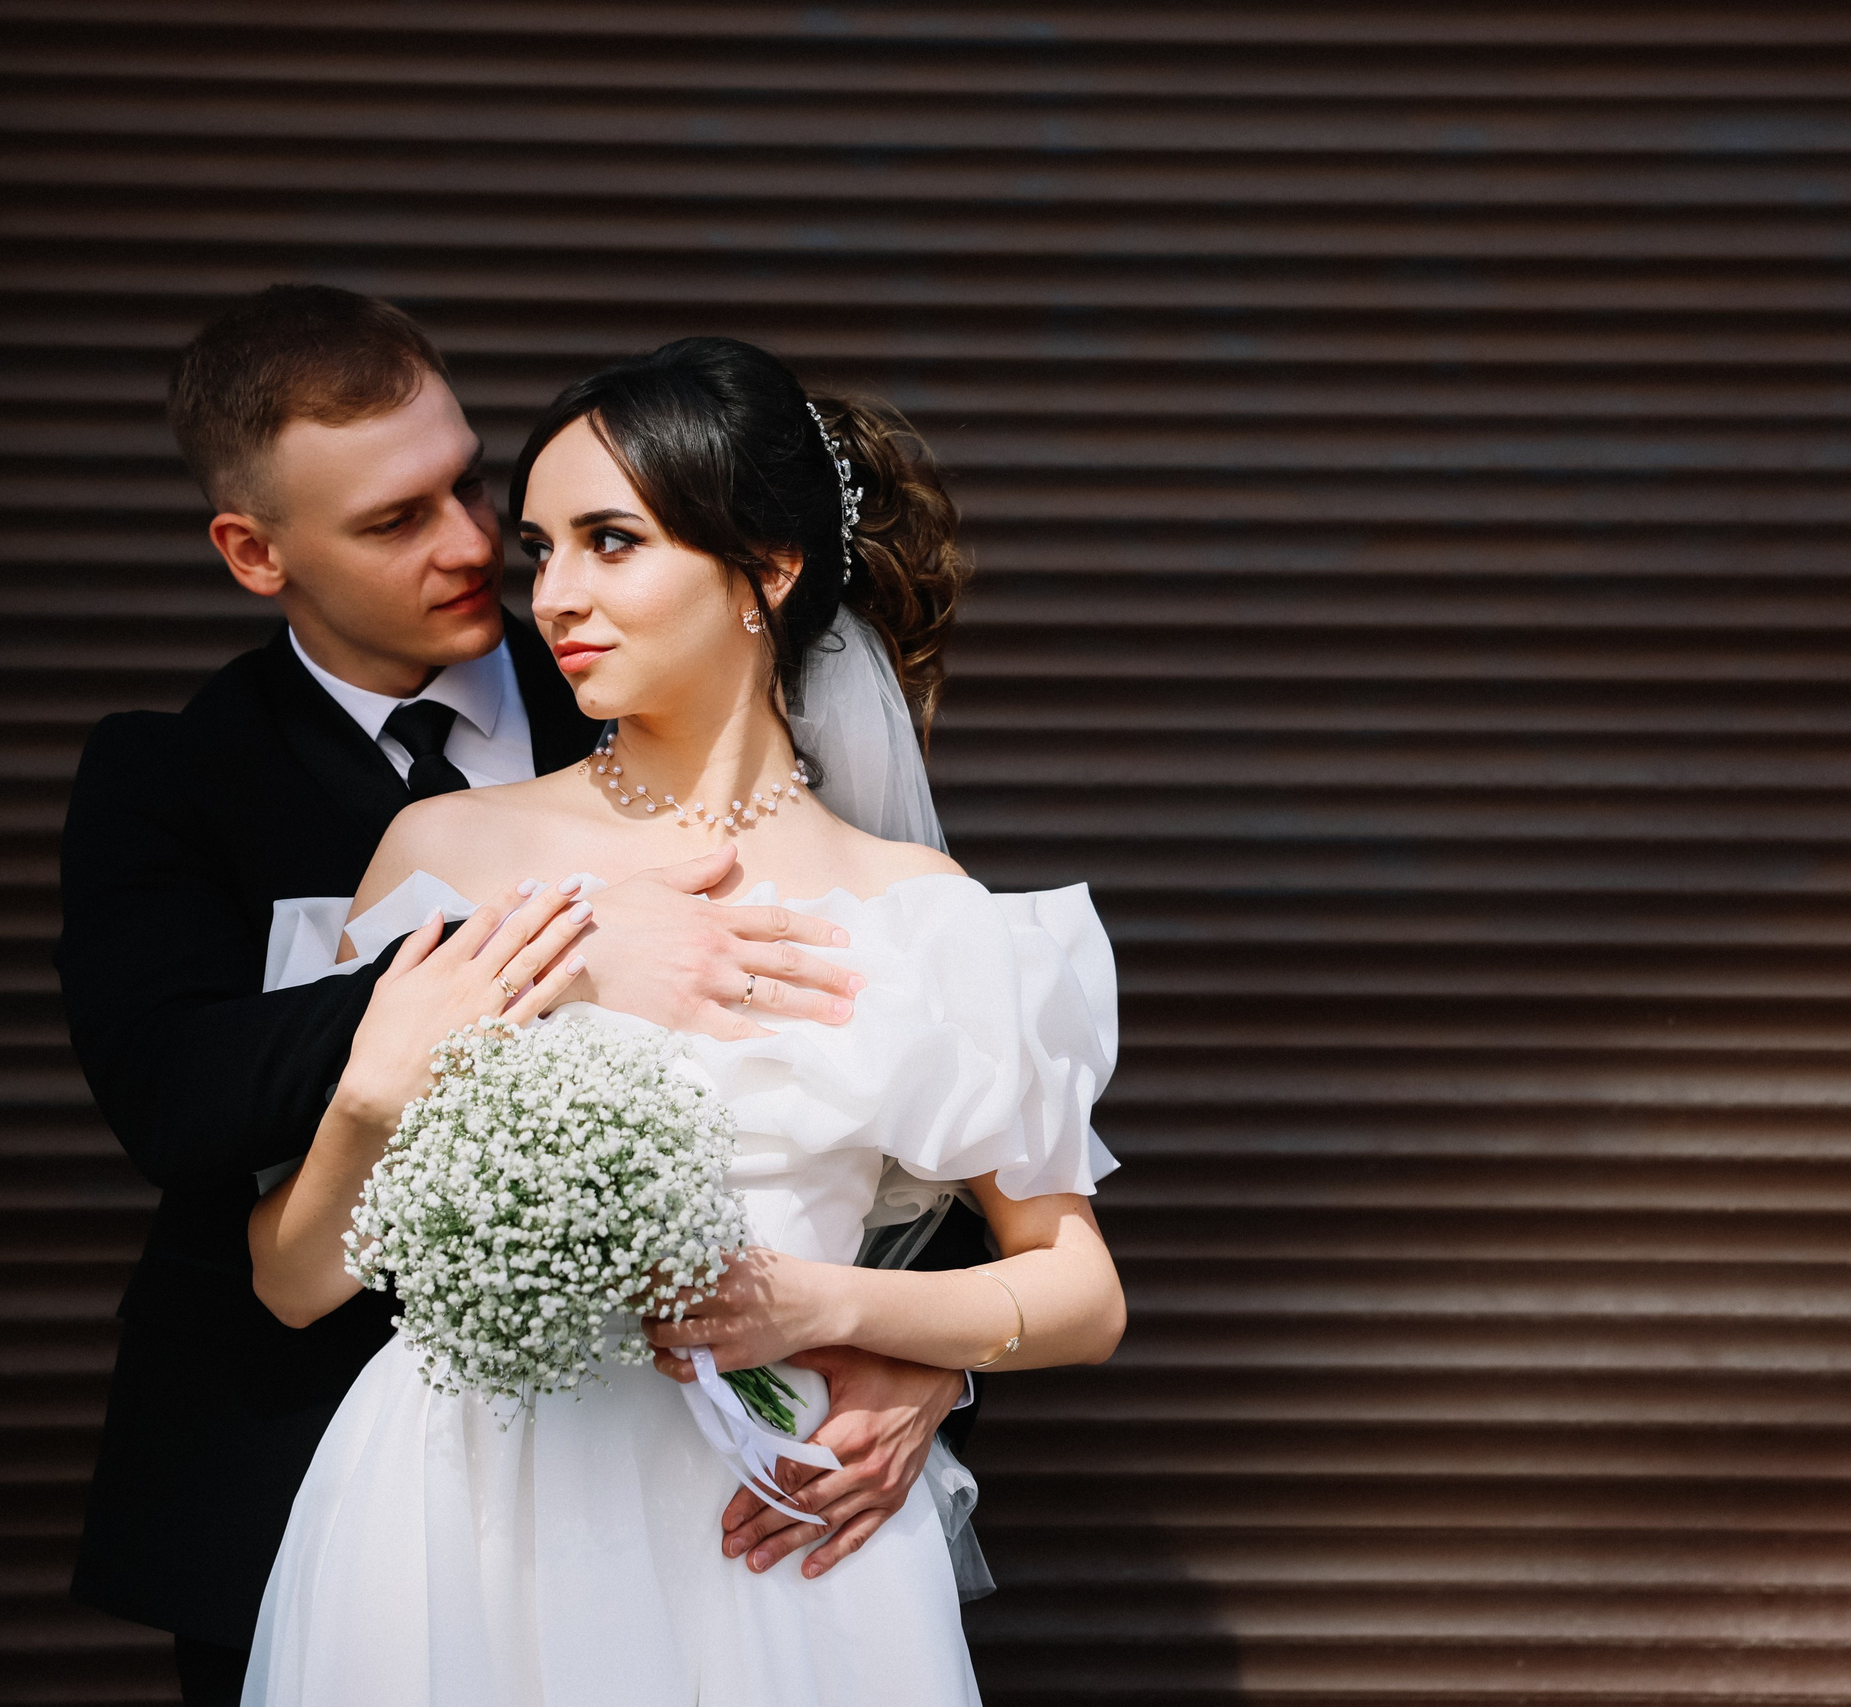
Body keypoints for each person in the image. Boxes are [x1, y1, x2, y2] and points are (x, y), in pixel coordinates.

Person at [57, 289, 971, 1707]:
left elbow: (916, 1052)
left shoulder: (663, 676)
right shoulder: (171, 783)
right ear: (255, 553)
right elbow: (176, 1093)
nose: (482, 548)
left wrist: (928, 1358)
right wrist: (549, 960)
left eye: (469, 483)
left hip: (720, 1482)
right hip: (316, 1484)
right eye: (393, 521)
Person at [236, 336, 1124, 1705]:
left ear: (766, 568)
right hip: (449, 1515)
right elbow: (294, 1282)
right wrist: (369, 1098)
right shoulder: (447, 850)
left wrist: (828, 1309)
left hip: (761, 1531)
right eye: (543, 550)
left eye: (612, 541)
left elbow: (1080, 1294)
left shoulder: (924, 910)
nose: (558, 597)